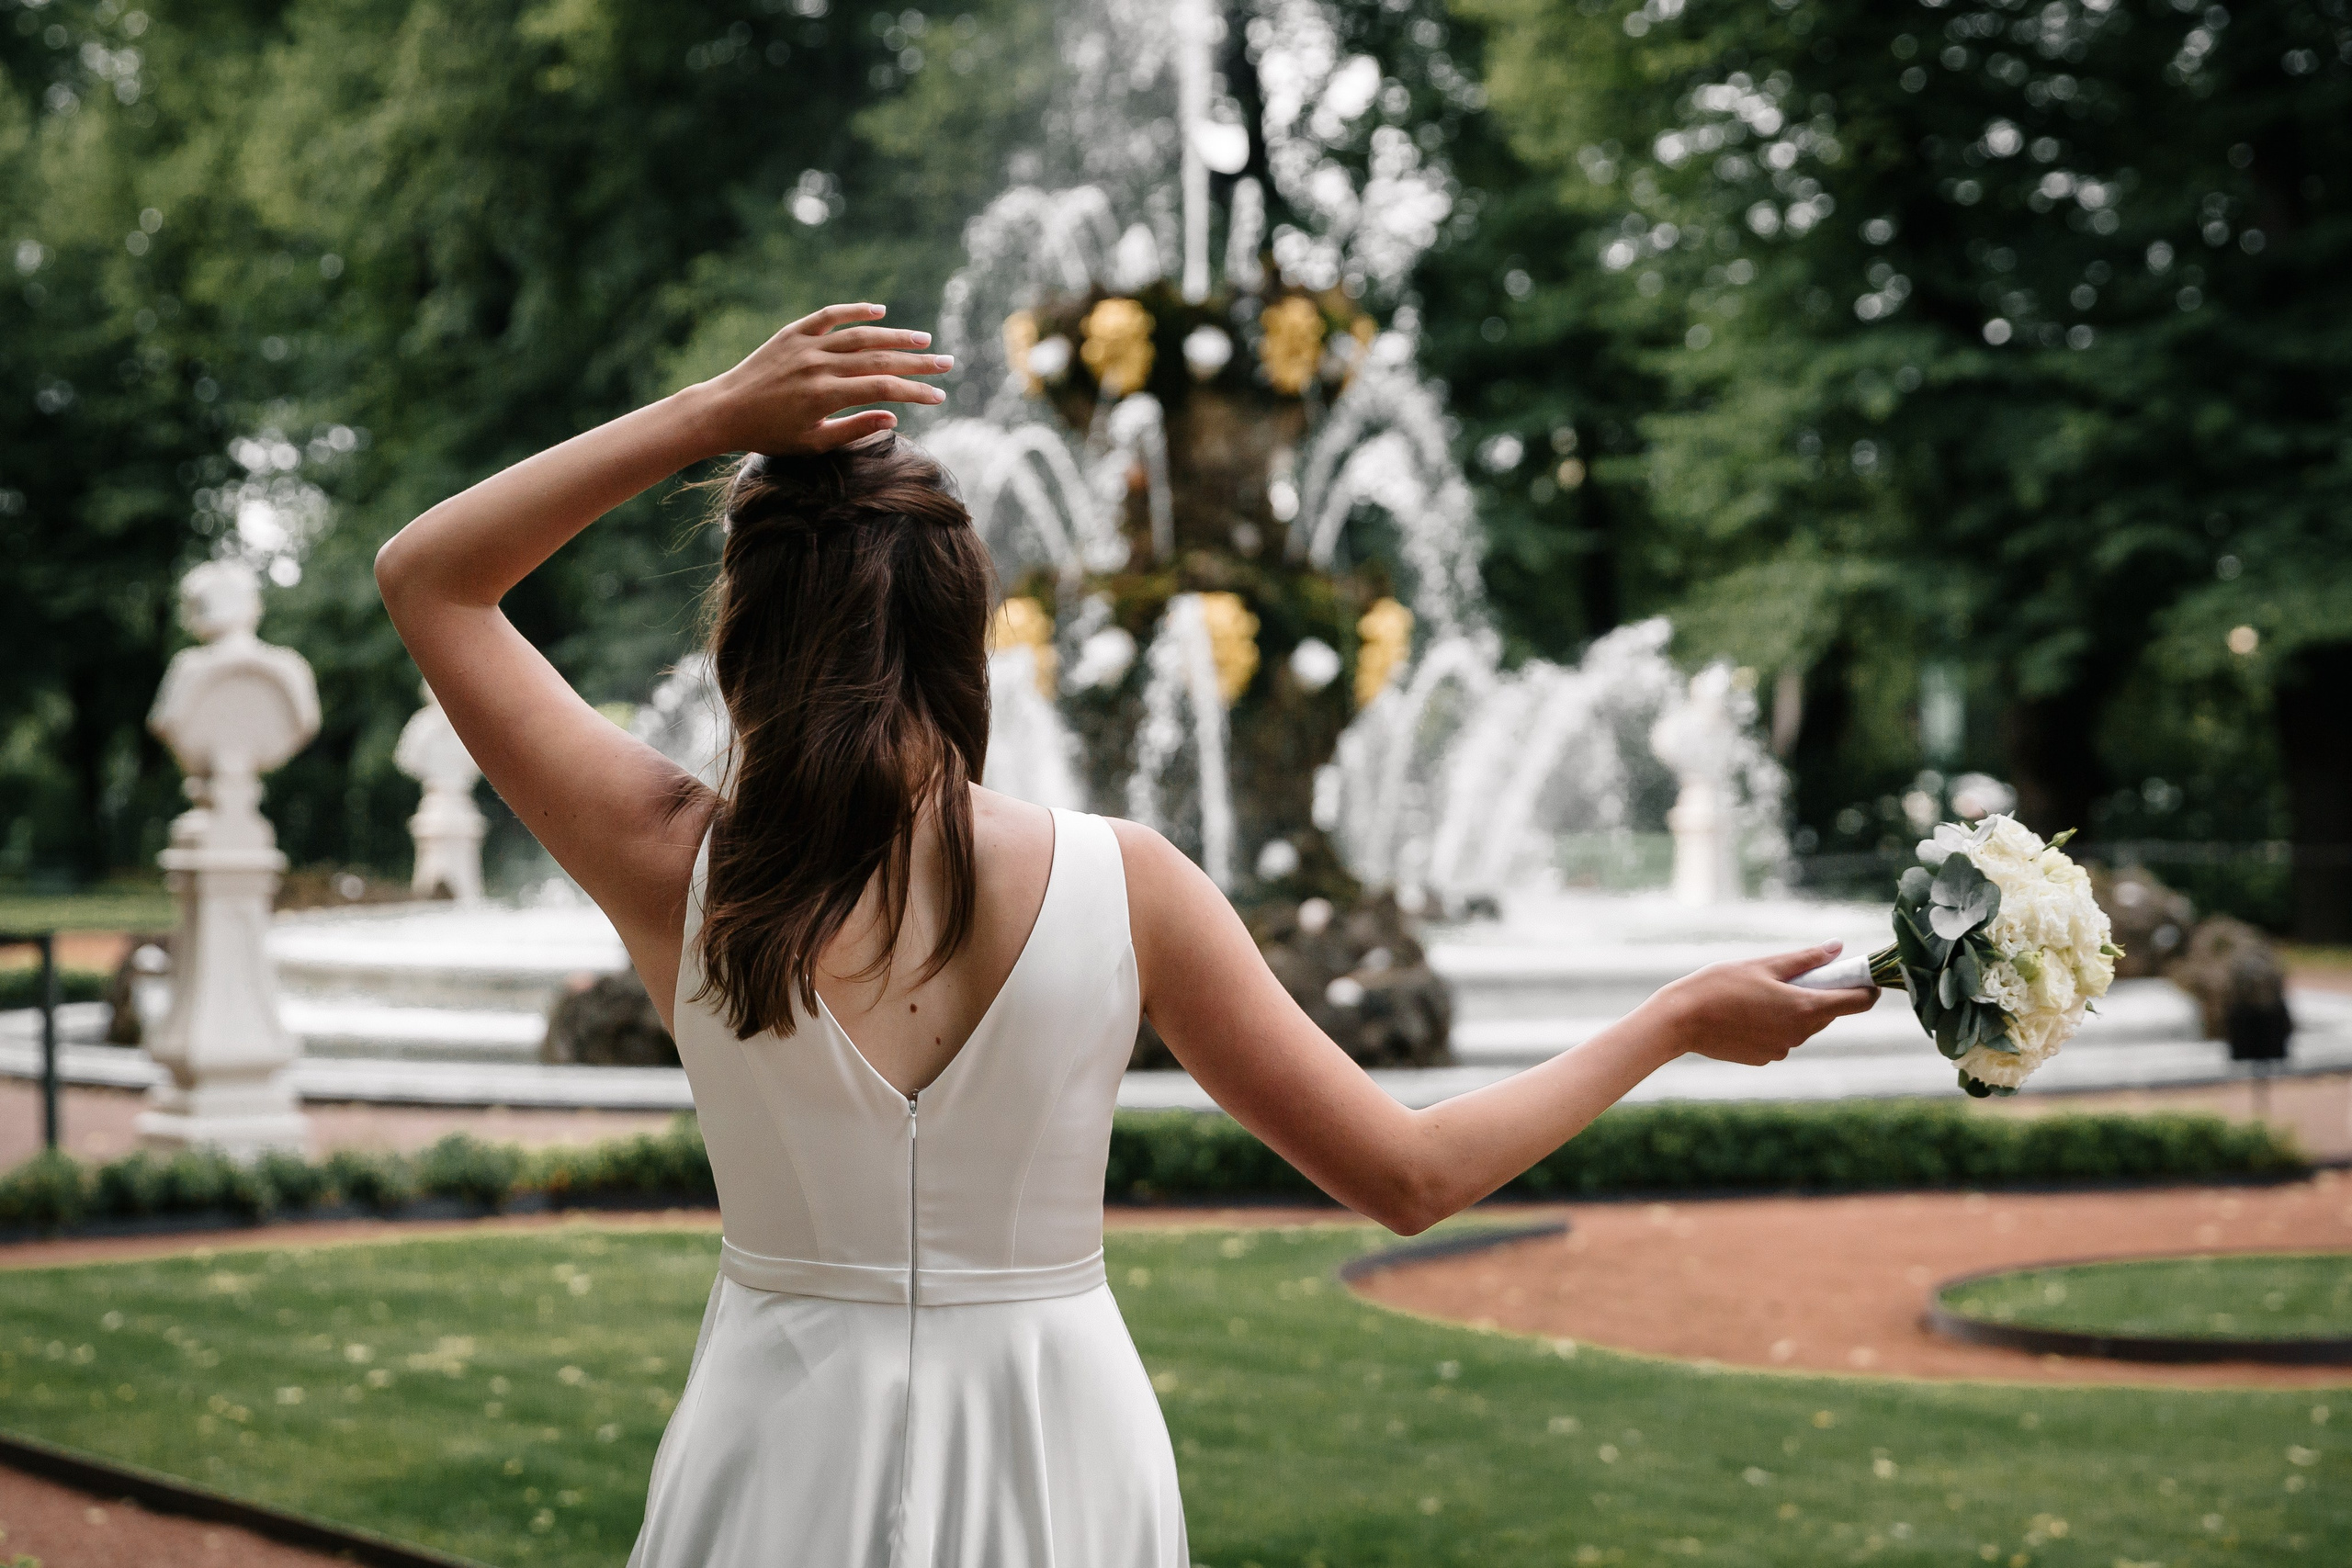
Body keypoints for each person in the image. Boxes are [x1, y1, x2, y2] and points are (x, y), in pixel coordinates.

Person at [375, 302, 1878, 1566]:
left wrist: (713, 414)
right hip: (1059, 1445)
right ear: (967, 635)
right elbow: (1412, 1177)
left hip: (780, 1445)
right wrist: (1671, 1020)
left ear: (743, 640)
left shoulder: (674, 865)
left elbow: (429, 576)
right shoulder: (1127, 882)